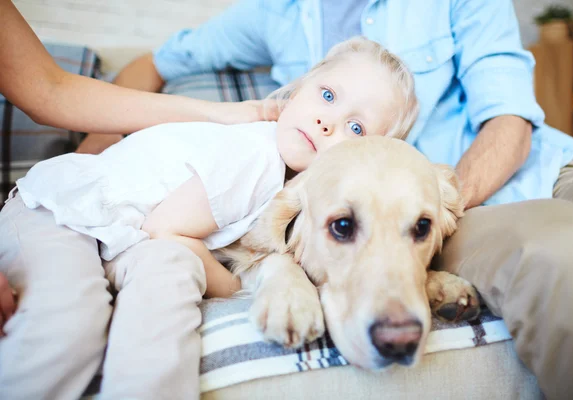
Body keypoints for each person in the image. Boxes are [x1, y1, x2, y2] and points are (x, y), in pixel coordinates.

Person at [77, 1, 573, 398]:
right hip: (473, 218)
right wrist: (89, 156)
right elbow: (156, 62)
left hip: (502, 183)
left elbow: (510, 123)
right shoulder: (276, 12)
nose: (329, 118)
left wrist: (431, 210)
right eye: (325, 97)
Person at [0, 37, 419, 399]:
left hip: (124, 237)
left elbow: (166, 242)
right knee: (68, 319)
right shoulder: (254, 158)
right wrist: (236, 287)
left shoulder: (293, 188)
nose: (327, 123)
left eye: (356, 128)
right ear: (297, 91)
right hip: (61, 213)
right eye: (327, 96)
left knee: (171, 278)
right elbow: (164, 230)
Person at [0, 0, 281, 336]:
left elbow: (50, 90)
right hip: (60, 204)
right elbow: (167, 228)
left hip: (124, 232)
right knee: (64, 326)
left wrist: (219, 113)